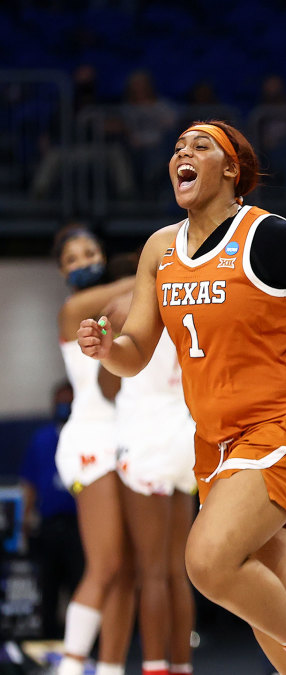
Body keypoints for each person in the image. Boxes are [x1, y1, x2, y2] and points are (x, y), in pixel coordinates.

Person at [76, 119, 286, 675]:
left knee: (207, 560)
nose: (182, 155)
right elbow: (138, 351)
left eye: (200, 147)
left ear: (231, 170)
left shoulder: (271, 237)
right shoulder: (160, 248)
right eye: (176, 148)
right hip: (215, 439)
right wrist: (106, 351)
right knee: (271, 593)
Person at [53, 226, 136, 675]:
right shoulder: (73, 310)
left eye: (90, 253)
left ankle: (111, 668)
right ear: (62, 271)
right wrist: (153, 268)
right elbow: (132, 286)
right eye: (73, 258)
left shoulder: (118, 299)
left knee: (126, 572)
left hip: (125, 438)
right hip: (88, 441)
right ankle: (70, 665)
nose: (84, 261)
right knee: (105, 565)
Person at [106, 272, 197, 675]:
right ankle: (182, 666)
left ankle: (154, 668)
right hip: (185, 432)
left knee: (152, 573)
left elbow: (107, 383)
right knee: (179, 572)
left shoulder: (121, 308)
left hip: (145, 435)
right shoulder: (192, 298)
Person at [19, 381, 83, 640]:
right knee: (48, 587)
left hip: (80, 524)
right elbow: (29, 482)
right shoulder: (41, 439)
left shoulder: (84, 435)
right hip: (49, 524)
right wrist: (25, 518)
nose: (64, 406)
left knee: (81, 583)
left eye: (68, 400)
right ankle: (48, 639)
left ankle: (84, 642)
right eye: (60, 401)